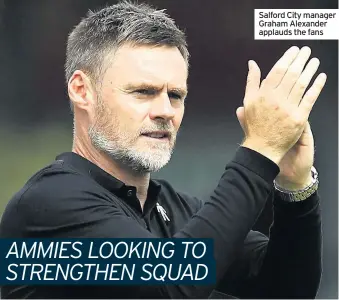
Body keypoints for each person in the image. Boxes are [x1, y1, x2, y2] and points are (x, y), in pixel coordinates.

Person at [0, 1, 326, 299]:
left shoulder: (172, 208)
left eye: (175, 95)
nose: (165, 111)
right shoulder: (49, 204)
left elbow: (287, 288)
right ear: (82, 91)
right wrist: (260, 151)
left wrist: (294, 187)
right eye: (144, 91)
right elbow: (169, 288)